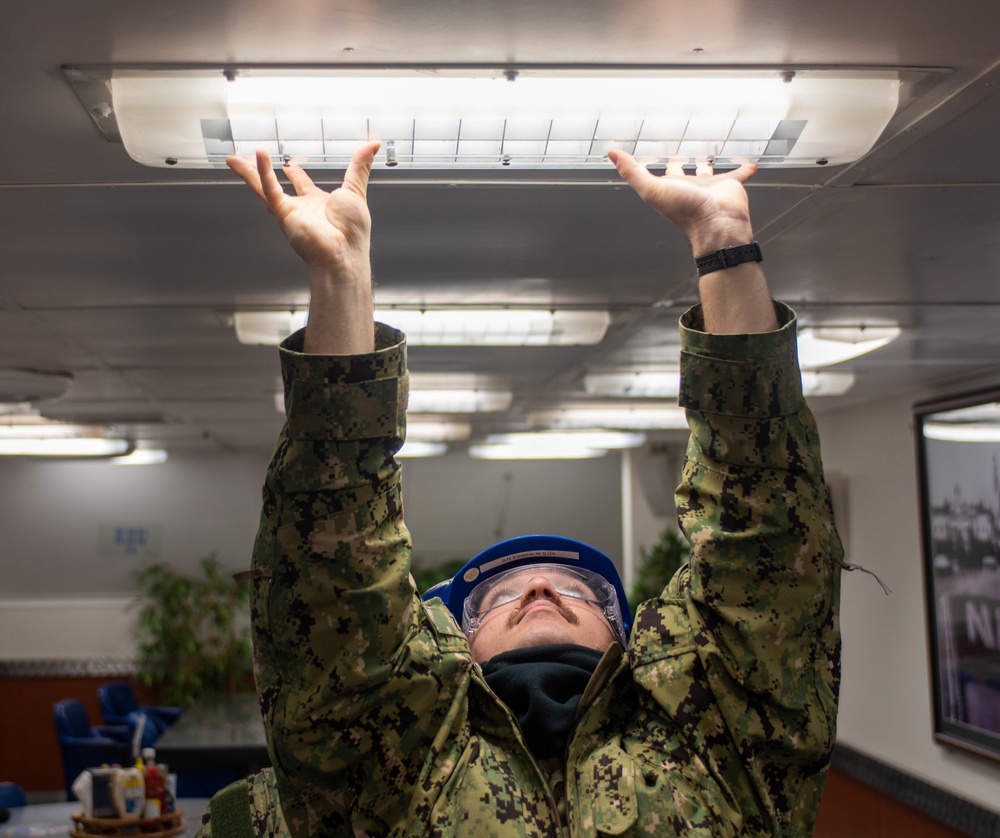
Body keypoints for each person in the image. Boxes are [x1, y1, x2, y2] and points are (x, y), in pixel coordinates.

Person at [197, 141, 844, 837]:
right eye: (503, 595)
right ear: (457, 649)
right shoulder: (394, 768)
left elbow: (767, 550)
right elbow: (333, 576)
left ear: (626, 642)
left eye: (577, 590)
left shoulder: (718, 758)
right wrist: (341, 282)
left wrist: (725, 245)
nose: (540, 591)